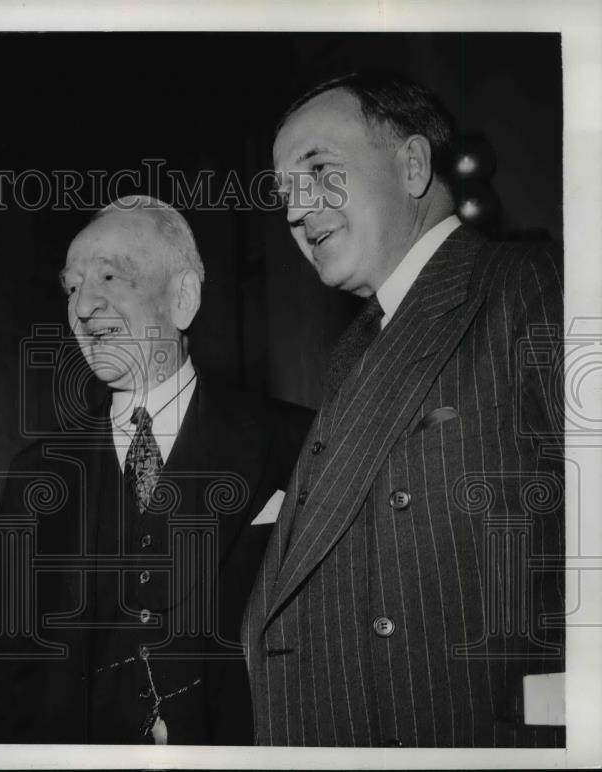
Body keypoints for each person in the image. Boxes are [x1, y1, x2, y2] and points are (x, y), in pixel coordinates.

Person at [243, 72, 564, 747]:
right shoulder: (359, 343)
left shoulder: (532, 285)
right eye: (284, 192)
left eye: (320, 170)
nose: (297, 210)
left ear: (413, 166)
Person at [0, 196, 312, 744]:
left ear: (182, 298)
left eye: (110, 276)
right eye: (71, 287)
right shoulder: (32, 478)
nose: (84, 306)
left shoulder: (298, 443)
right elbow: (7, 681)